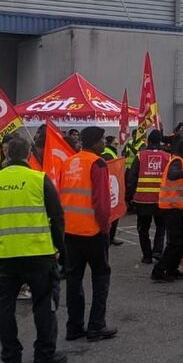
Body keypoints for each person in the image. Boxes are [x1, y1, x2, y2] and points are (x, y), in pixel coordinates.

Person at [0, 135, 67, 363]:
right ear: (28, 155)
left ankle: (11, 358)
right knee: (44, 306)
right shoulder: (39, 179)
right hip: (39, 253)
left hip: (4, 256)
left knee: (4, 309)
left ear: (6, 155)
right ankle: (44, 355)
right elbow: (57, 218)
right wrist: (60, 249)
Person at [58, 127, 117, 342]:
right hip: (92, 230)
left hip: (71, 230)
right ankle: (96, 326)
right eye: (102, 139)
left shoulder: (68, 162)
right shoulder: (97, 163)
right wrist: (105, 227)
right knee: (101, 276)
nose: (104, 143)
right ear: (95, 142)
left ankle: (74, 327)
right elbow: (101, 202)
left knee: (74, 280)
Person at [151, 138, 183, 282]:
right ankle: (159, 271)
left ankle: (172, 269)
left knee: (178, 241)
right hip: (171, 208)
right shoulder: (177, 161)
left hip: (176, 207)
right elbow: (173, 175)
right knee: (175, 242)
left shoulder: (181, 162)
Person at [128, 130, 168, 263]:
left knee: (143, 229)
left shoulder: (140, 156)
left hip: (142, 199)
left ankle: (147, 256)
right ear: (160, 142)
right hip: (161, 199)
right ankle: (157, 251)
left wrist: (129, 196)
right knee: (161, 227)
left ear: (148, 141)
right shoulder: (168, 157)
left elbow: (131, 178)